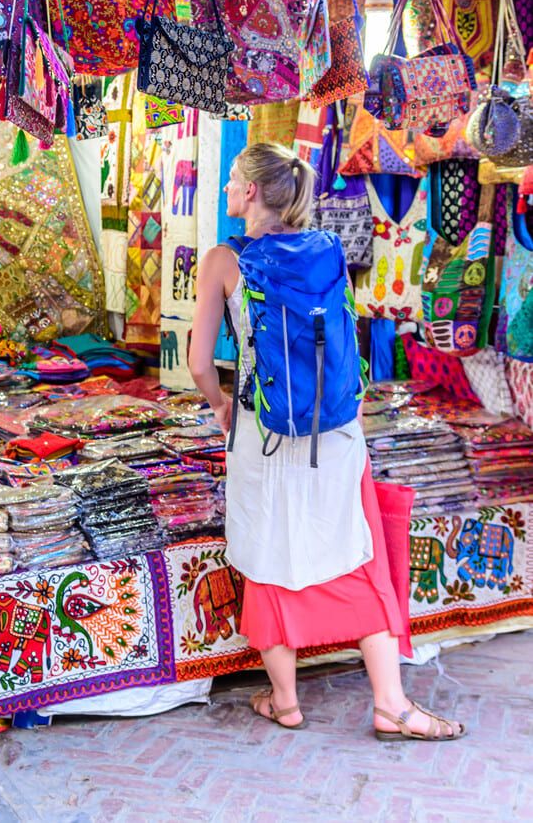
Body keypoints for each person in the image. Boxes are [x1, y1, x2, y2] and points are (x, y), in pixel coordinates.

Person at [187, 143, 464, 742]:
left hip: (262, 433)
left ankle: (285, 700)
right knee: (353, 556)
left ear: (254, 192)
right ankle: (391, 703)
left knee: (268, 555)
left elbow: (199, 362)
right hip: (335, 432)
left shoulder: (223, 261)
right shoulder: (329, 249)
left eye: (234, 180)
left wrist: (218, 403)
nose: (229, 188)